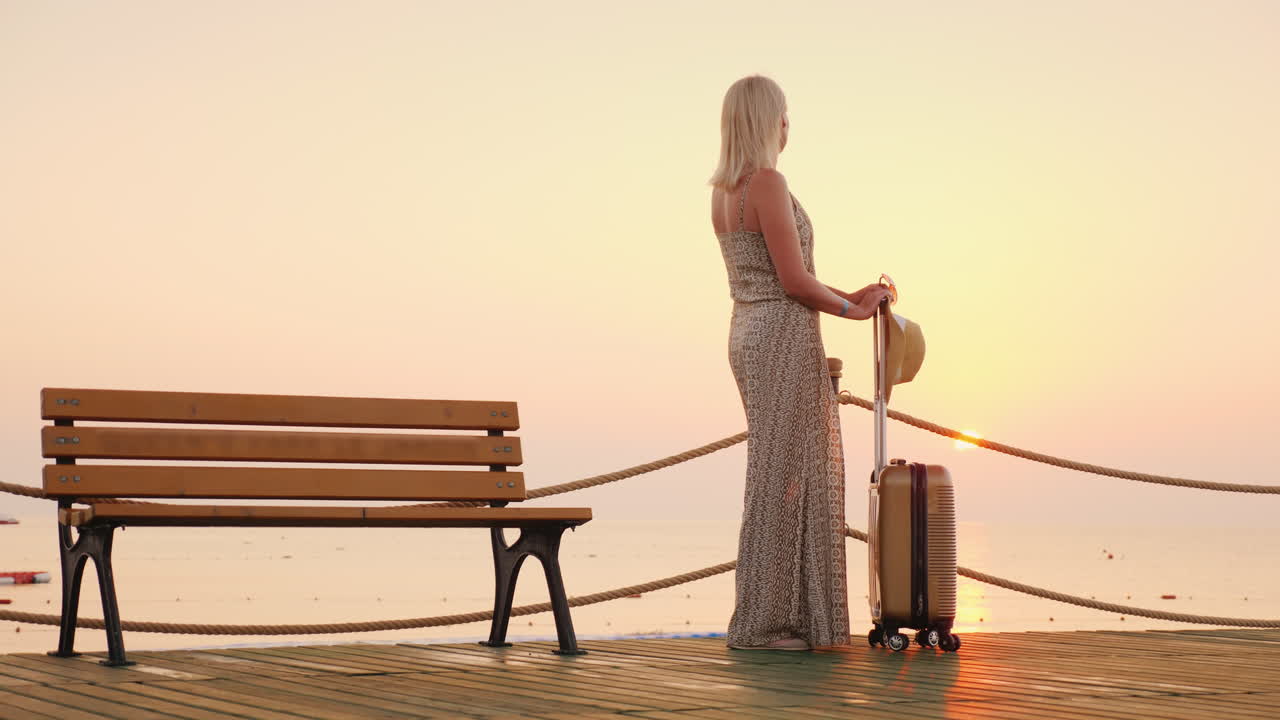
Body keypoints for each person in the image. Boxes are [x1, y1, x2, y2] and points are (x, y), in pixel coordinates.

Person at [710, 75, 892, 651]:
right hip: (782, 336)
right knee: (789, 476)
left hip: (747, 330)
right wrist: (854, 311)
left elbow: (780, 277)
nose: (789, 125)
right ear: (770, 121)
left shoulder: (723, 190)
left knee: (775, 472)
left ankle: (778, 617)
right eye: (784, 115)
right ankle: (767, 624)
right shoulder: (766, 182)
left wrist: (849, 297)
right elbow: (793, 281)